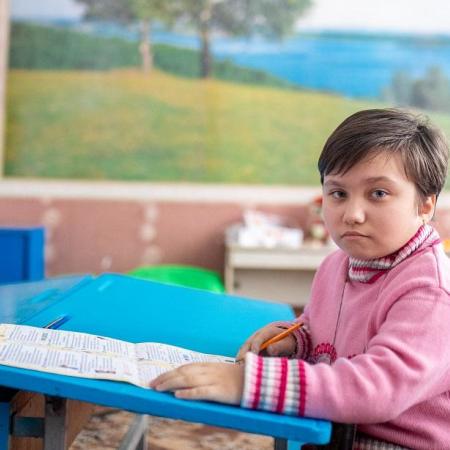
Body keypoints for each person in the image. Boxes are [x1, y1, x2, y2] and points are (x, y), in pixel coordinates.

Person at [151, 109, 450, 449]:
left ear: (425, 206)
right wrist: (297, 339)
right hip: (332, 429)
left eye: (378, 193)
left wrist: (248, 382)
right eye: (338, 194)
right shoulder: (337, 265)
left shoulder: (431, 291)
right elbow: (327, 333)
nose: (352, 214)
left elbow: (377, 388)